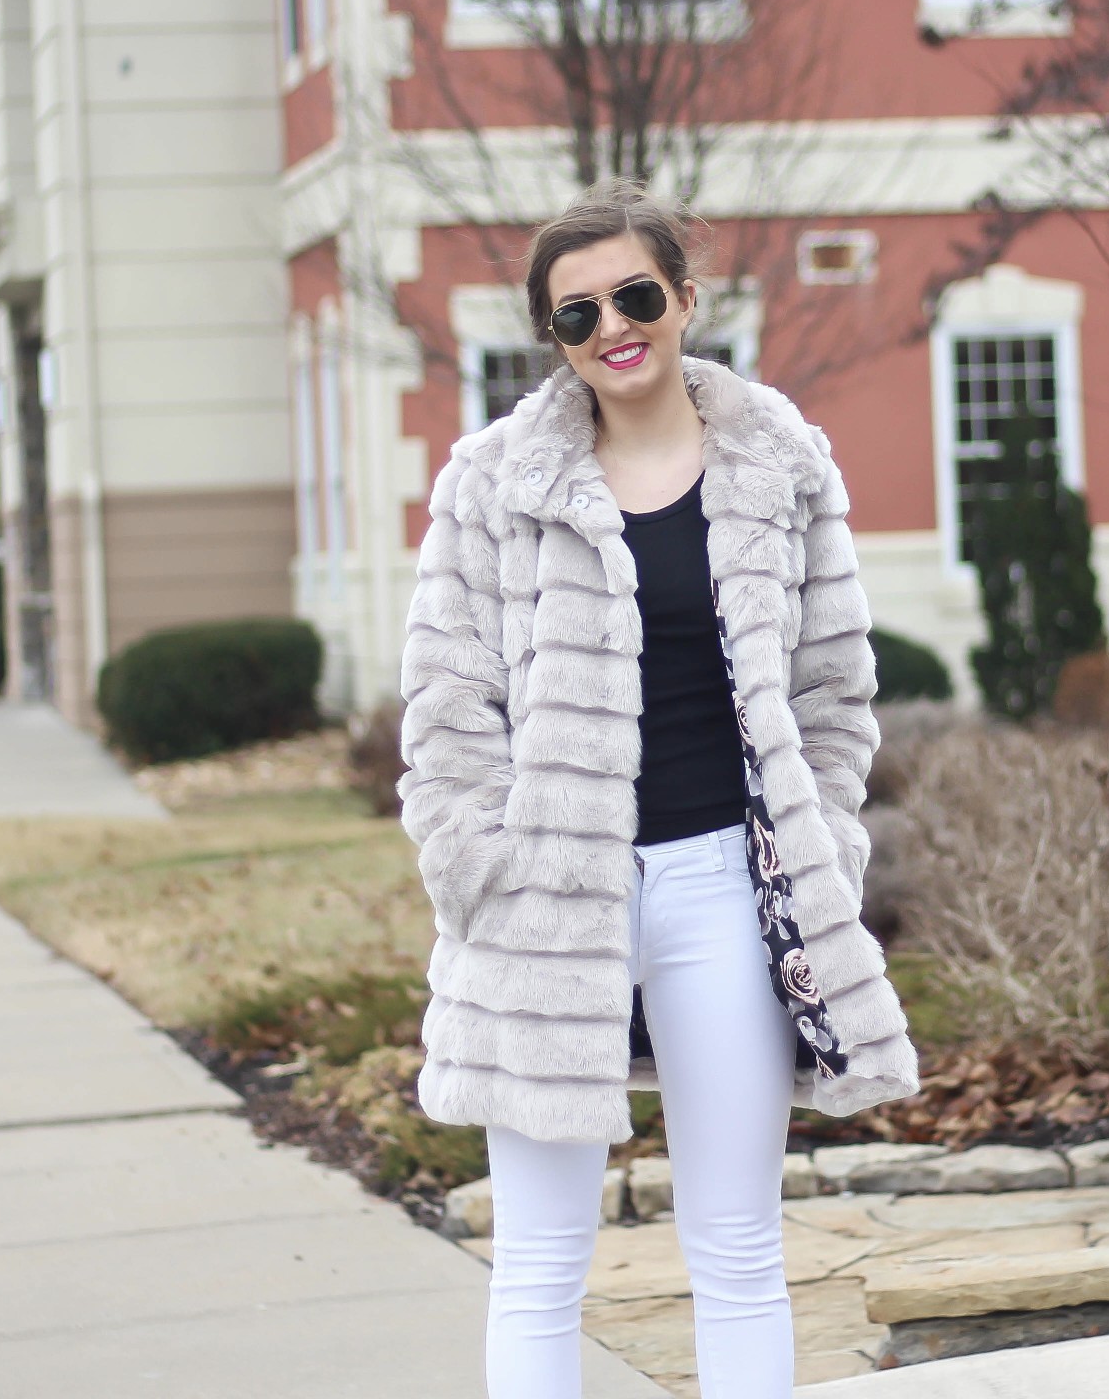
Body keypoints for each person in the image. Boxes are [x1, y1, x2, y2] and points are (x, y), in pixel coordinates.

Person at [398, 177, 919, 1399]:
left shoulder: (781, 463)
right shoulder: (493, 482)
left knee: (736, 1248)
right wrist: (477, 859)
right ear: (553, 338)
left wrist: (825, 842)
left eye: (635, 295)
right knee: (538, 1260)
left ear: (685, 298)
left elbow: (836, 686)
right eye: (576, 315)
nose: (611, 328)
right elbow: (444, 703)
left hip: (722, 889)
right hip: (542, 895)